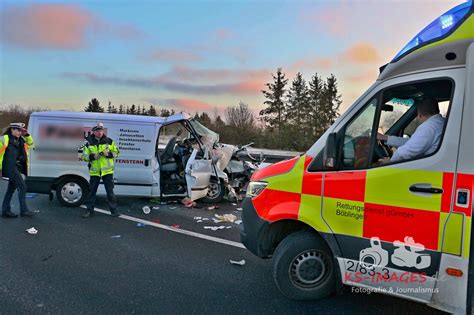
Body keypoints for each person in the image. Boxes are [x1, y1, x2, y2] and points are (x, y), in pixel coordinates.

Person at [377, 97, 445, 163]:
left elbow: (404, 153)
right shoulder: (441, 123)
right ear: (437, 111)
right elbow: (411, 142)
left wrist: (390, 162)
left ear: (419, 115)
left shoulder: (429, 127)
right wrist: (385, 138)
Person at [81, 123, 120, 218]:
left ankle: (114, 211)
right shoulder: (88, 143)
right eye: (97, 131)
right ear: (93, 132)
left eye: (101, 131)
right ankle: (89, 211)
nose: (100, 133)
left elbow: (117, 152)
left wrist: (109, 154)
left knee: (110, 192)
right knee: (92, 192)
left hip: (107, 172)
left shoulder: (109, 141)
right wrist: (93, 156)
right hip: (95, 172)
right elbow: (83, 156)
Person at [0, 122, 36, 218]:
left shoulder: (20, 140)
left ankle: (5, 211)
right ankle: (24, 210)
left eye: (20, 130)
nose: (19, 132)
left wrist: (27, 135)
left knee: (11, 189)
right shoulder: (5, 139)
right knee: (23, 186)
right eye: (17, 130)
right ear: (12, 129)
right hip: (9, 167)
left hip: (16, 167)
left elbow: (31, 145)